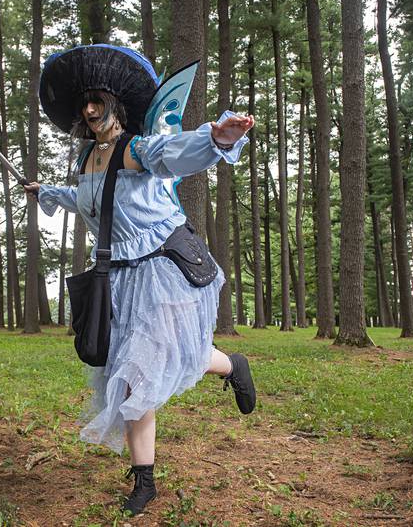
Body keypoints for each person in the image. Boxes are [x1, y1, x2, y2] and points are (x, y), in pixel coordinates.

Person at [24, 45, 256, 517]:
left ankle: (231, 366)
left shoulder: (136, 147)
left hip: (163, 267)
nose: (90, 110)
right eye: (84, 103)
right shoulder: (88, 156)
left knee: (154, 366)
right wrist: (47, 192)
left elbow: (172, 153)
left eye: (98, 101)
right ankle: (145, 481)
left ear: (116, 105)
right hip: (120, 278)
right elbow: (88, 199)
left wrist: (216, 139)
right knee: (131, 379)